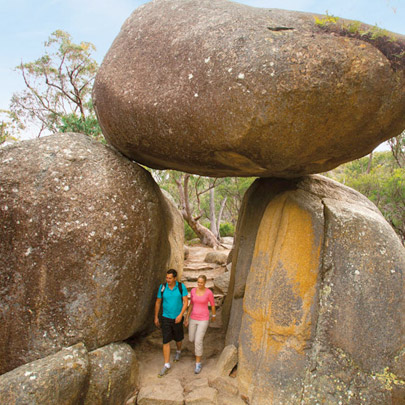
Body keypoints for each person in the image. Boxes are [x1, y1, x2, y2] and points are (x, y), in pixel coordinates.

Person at [154, 269, 188, 378]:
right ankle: (167, 364)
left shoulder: (181, 287)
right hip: (165, 317)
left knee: (178, 338)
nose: (167, 280)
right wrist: (156, 317)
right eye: (166, 278)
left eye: (169, 278)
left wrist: (180, 315)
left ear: (174, 278)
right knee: (166, 340)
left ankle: (178, 351)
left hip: (177, 318)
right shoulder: (162, 287)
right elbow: (158, 302)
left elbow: (186, 302)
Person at [184, 274, 216, 374]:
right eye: (198, 282)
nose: (199, 284)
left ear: (205, 283)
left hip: (204, 318)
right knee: (191, 338)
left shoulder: (208, 292)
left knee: (198, 340)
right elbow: (191, 304)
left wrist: (214, 316)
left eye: (201, 282)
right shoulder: (193, 291)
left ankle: (198, 363)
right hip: (193, 317)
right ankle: (198, 343)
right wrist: (187, 317)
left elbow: (213, 305)